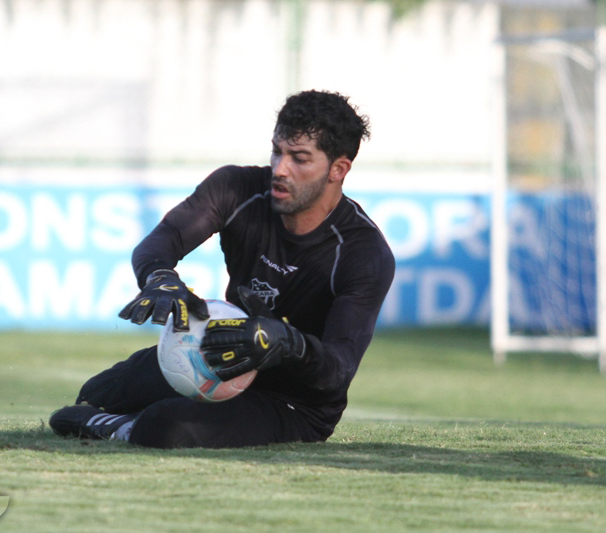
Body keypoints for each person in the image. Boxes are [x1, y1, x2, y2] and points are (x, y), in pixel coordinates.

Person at [49, 90, 395, 448]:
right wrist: (160, 278)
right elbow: (163, 239)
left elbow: (338, 370)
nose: (280, 169)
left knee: (165, 426)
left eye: (300, 158)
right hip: (216, 360)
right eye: (277, 151)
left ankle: (127, 427)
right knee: (97, 393)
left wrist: (286, 342)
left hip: (293, 404)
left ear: (338, 169)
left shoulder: (363, 253)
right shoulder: (238, 189)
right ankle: (125, 417)